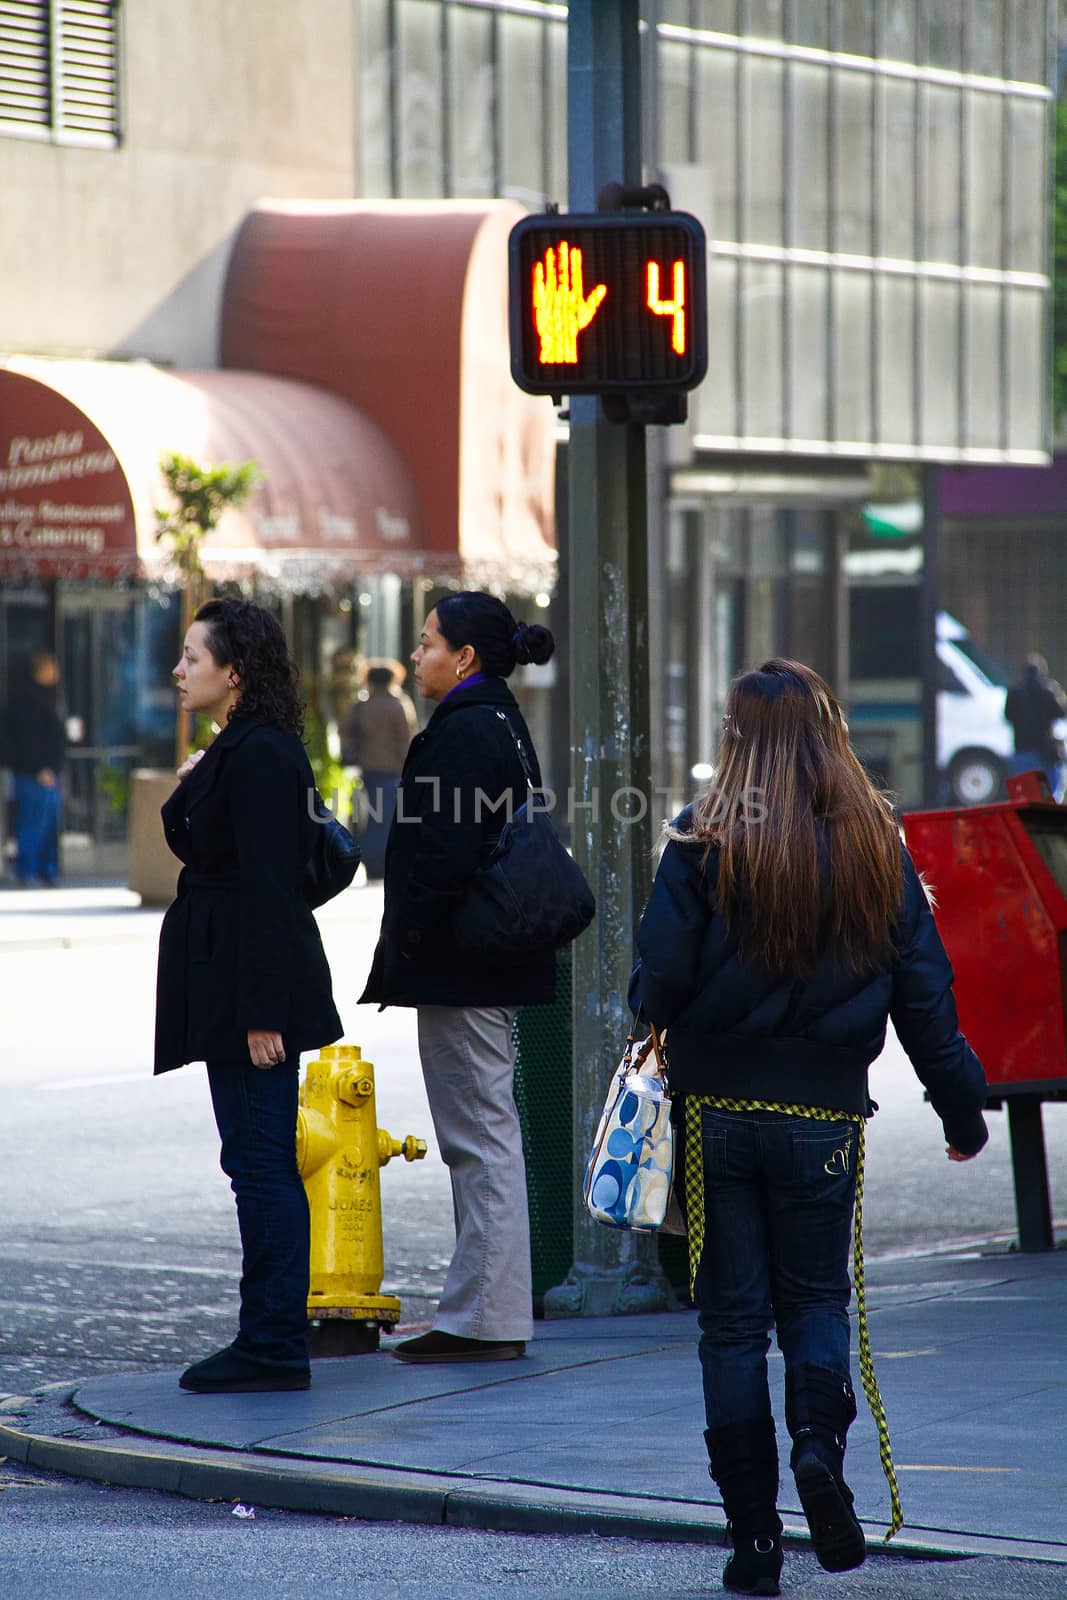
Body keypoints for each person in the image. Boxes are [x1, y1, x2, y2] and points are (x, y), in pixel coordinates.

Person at [630, 659, 988, 1596]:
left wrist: (652, 1005)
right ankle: (818, 1455)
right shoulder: (878, 844)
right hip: (825, 1112)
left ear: (734, 739)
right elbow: (926, 995)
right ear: (830, 733)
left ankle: (753, 1540)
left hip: (715, 1109)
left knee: (731, 1326)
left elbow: (658, 980)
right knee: (817, 1303)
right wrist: (961, 1108)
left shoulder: (700, 840)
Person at [360, 592, 555, 1364]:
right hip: (484, 958)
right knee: (481, 1134)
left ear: (464, 657)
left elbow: (439, 856)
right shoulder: (497, 718)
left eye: (426, 642)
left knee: (477, 1137)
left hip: (463, 964)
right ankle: (485, 1310)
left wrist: (408, 943)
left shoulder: (465, 728)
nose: (415, 655)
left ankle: (486, 1318)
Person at [154, 598, 342, 1395]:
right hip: (230, 977)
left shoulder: (262, 754)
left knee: (261, 1164)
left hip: (248, 989)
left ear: (234, 673)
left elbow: (273, 886)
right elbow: (199, 840)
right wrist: (196, 776)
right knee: (252, 1161)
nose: (178, 670)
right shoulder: (240, 748)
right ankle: (267, 1337)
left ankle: (271, 1344)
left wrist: (266, 1010)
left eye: (192, 657)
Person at [340, 658, 417, 879]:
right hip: (393, 769)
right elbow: (406, 739)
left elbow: (344, 731)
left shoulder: (361, 705)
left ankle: (371, 860)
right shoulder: (399, 704)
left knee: (371, 817)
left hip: (368, 768)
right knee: (387, 817)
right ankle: (382, 861)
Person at [6, 651, 65, 886]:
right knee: (33, 822)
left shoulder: (51, 697)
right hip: (35, 774)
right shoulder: (27, 700)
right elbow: (28, 740)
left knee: (49, 823)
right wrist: (40, 767)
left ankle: (45, 869)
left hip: (49, 772)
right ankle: (28, 870)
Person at [1004, 653, 1066, 800]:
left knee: (1024, 793)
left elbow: (1007, 716)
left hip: (1022, 747)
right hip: (1045, 749)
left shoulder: (1014, 693)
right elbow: (1062, 712)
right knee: (1051, 793)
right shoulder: (1049, 691)